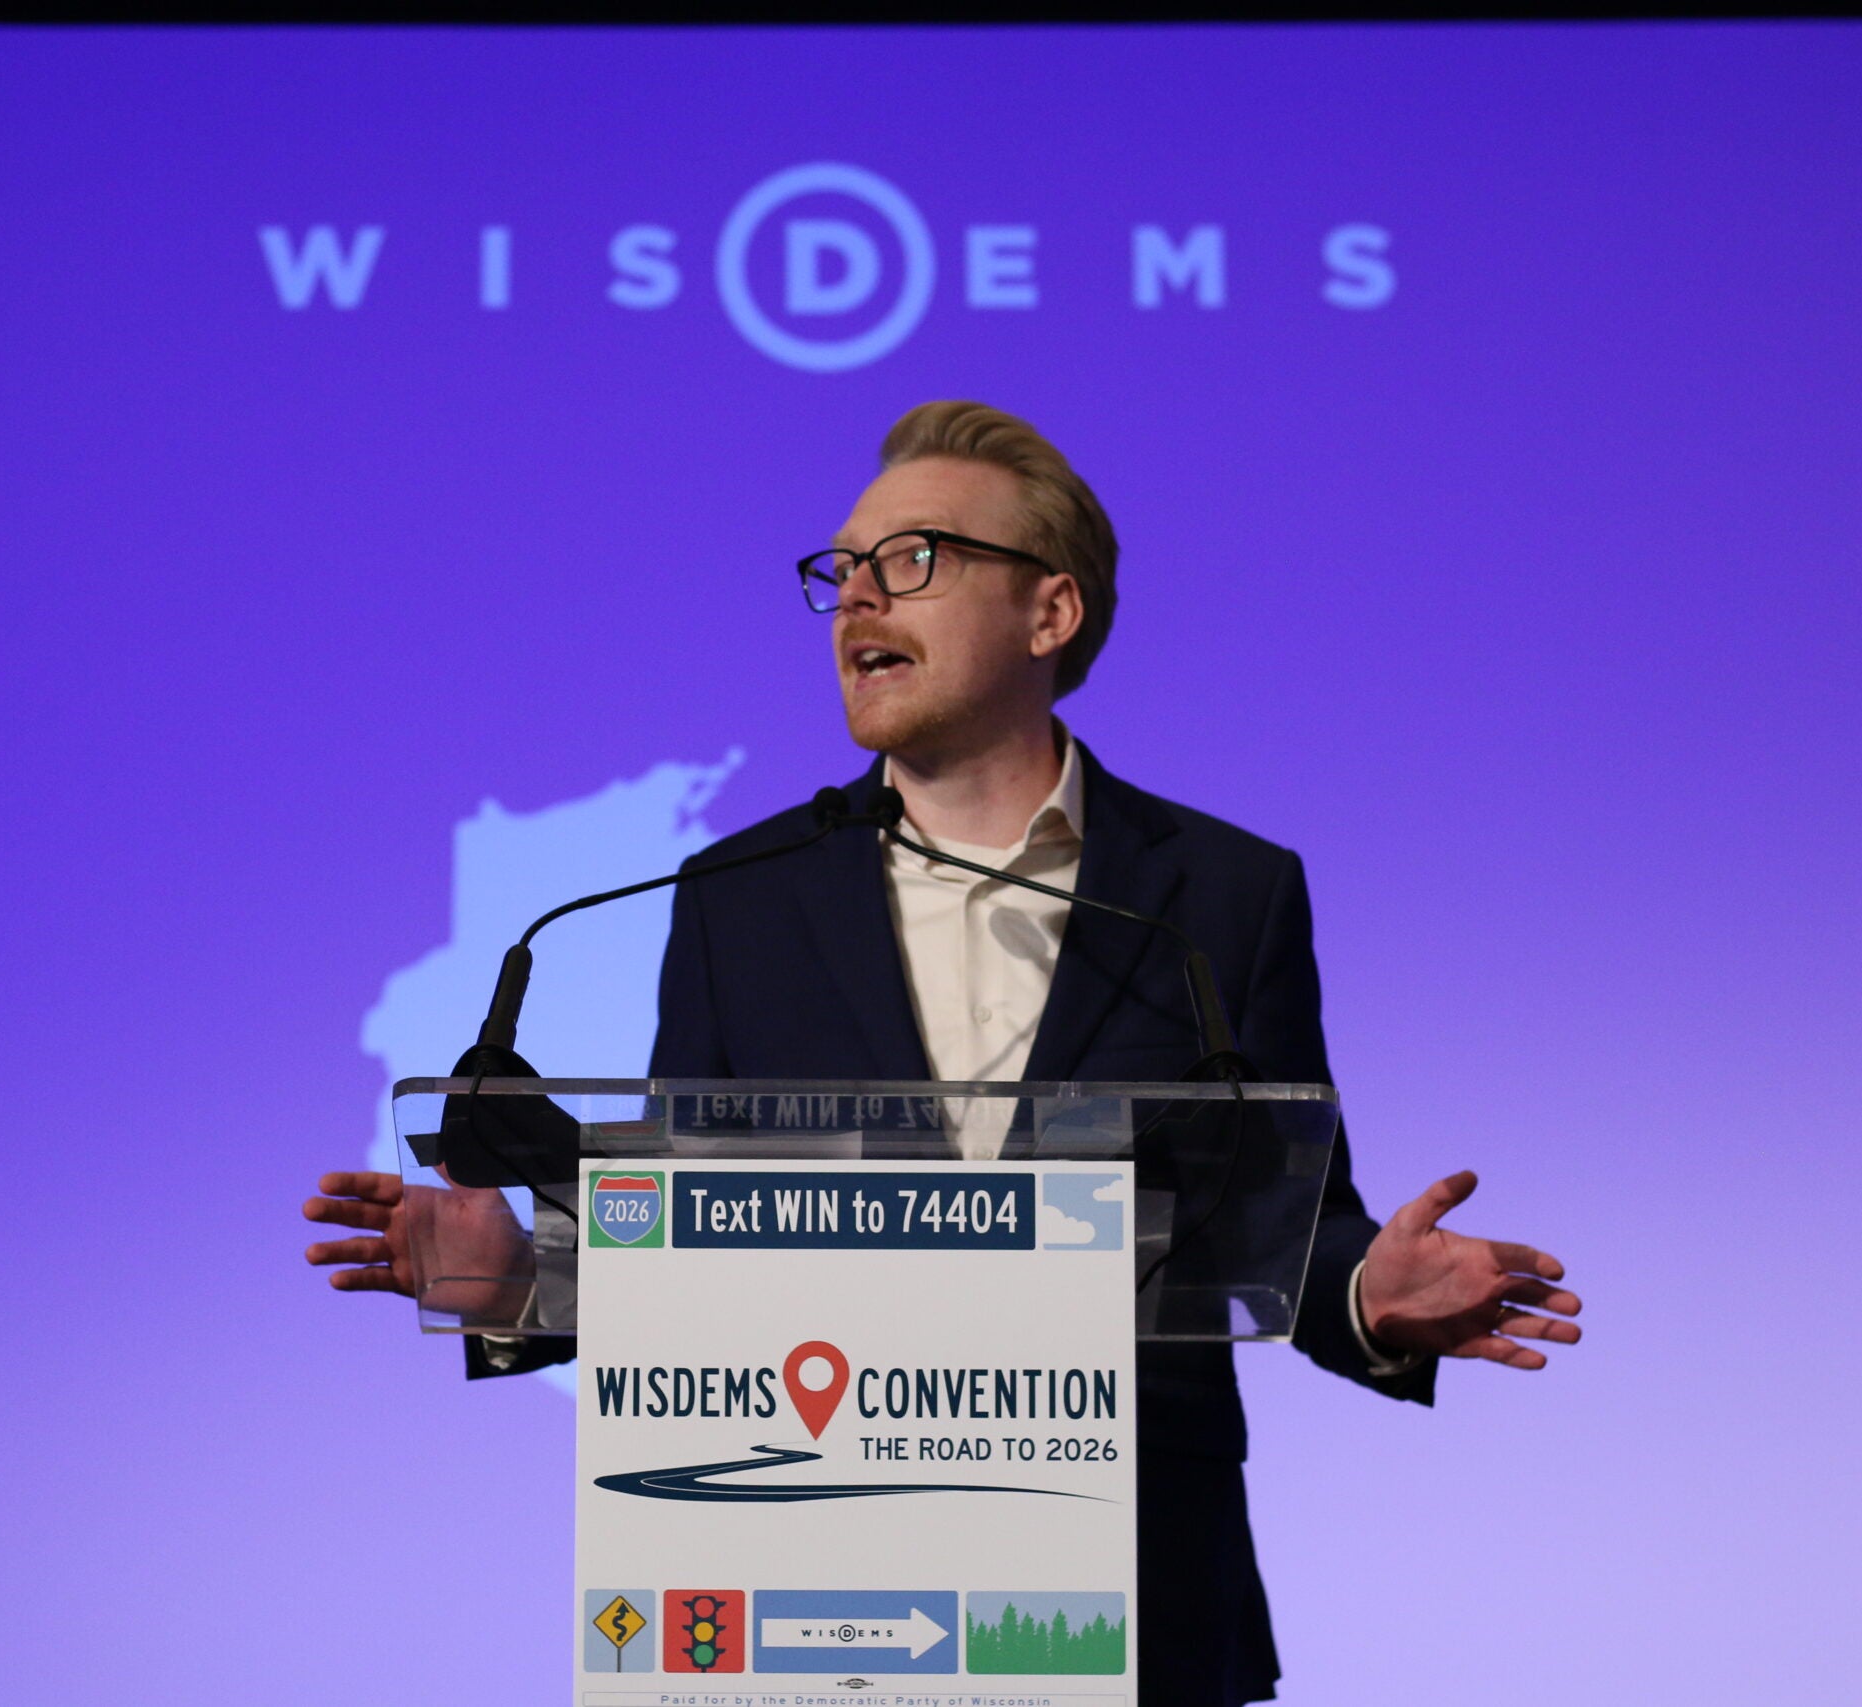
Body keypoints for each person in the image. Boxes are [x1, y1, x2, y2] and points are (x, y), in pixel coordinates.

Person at [303, 401, 1583, 1705]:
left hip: (1136, 1602)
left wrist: (1371, 1292)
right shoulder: (740, 897)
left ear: (1050, 614)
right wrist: (526, 1277)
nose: (858, 598)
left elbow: (1280, 1228)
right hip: (811, 1605)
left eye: (911, 559)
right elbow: (692, 1235)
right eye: (842, 570)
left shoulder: (1225, 893)